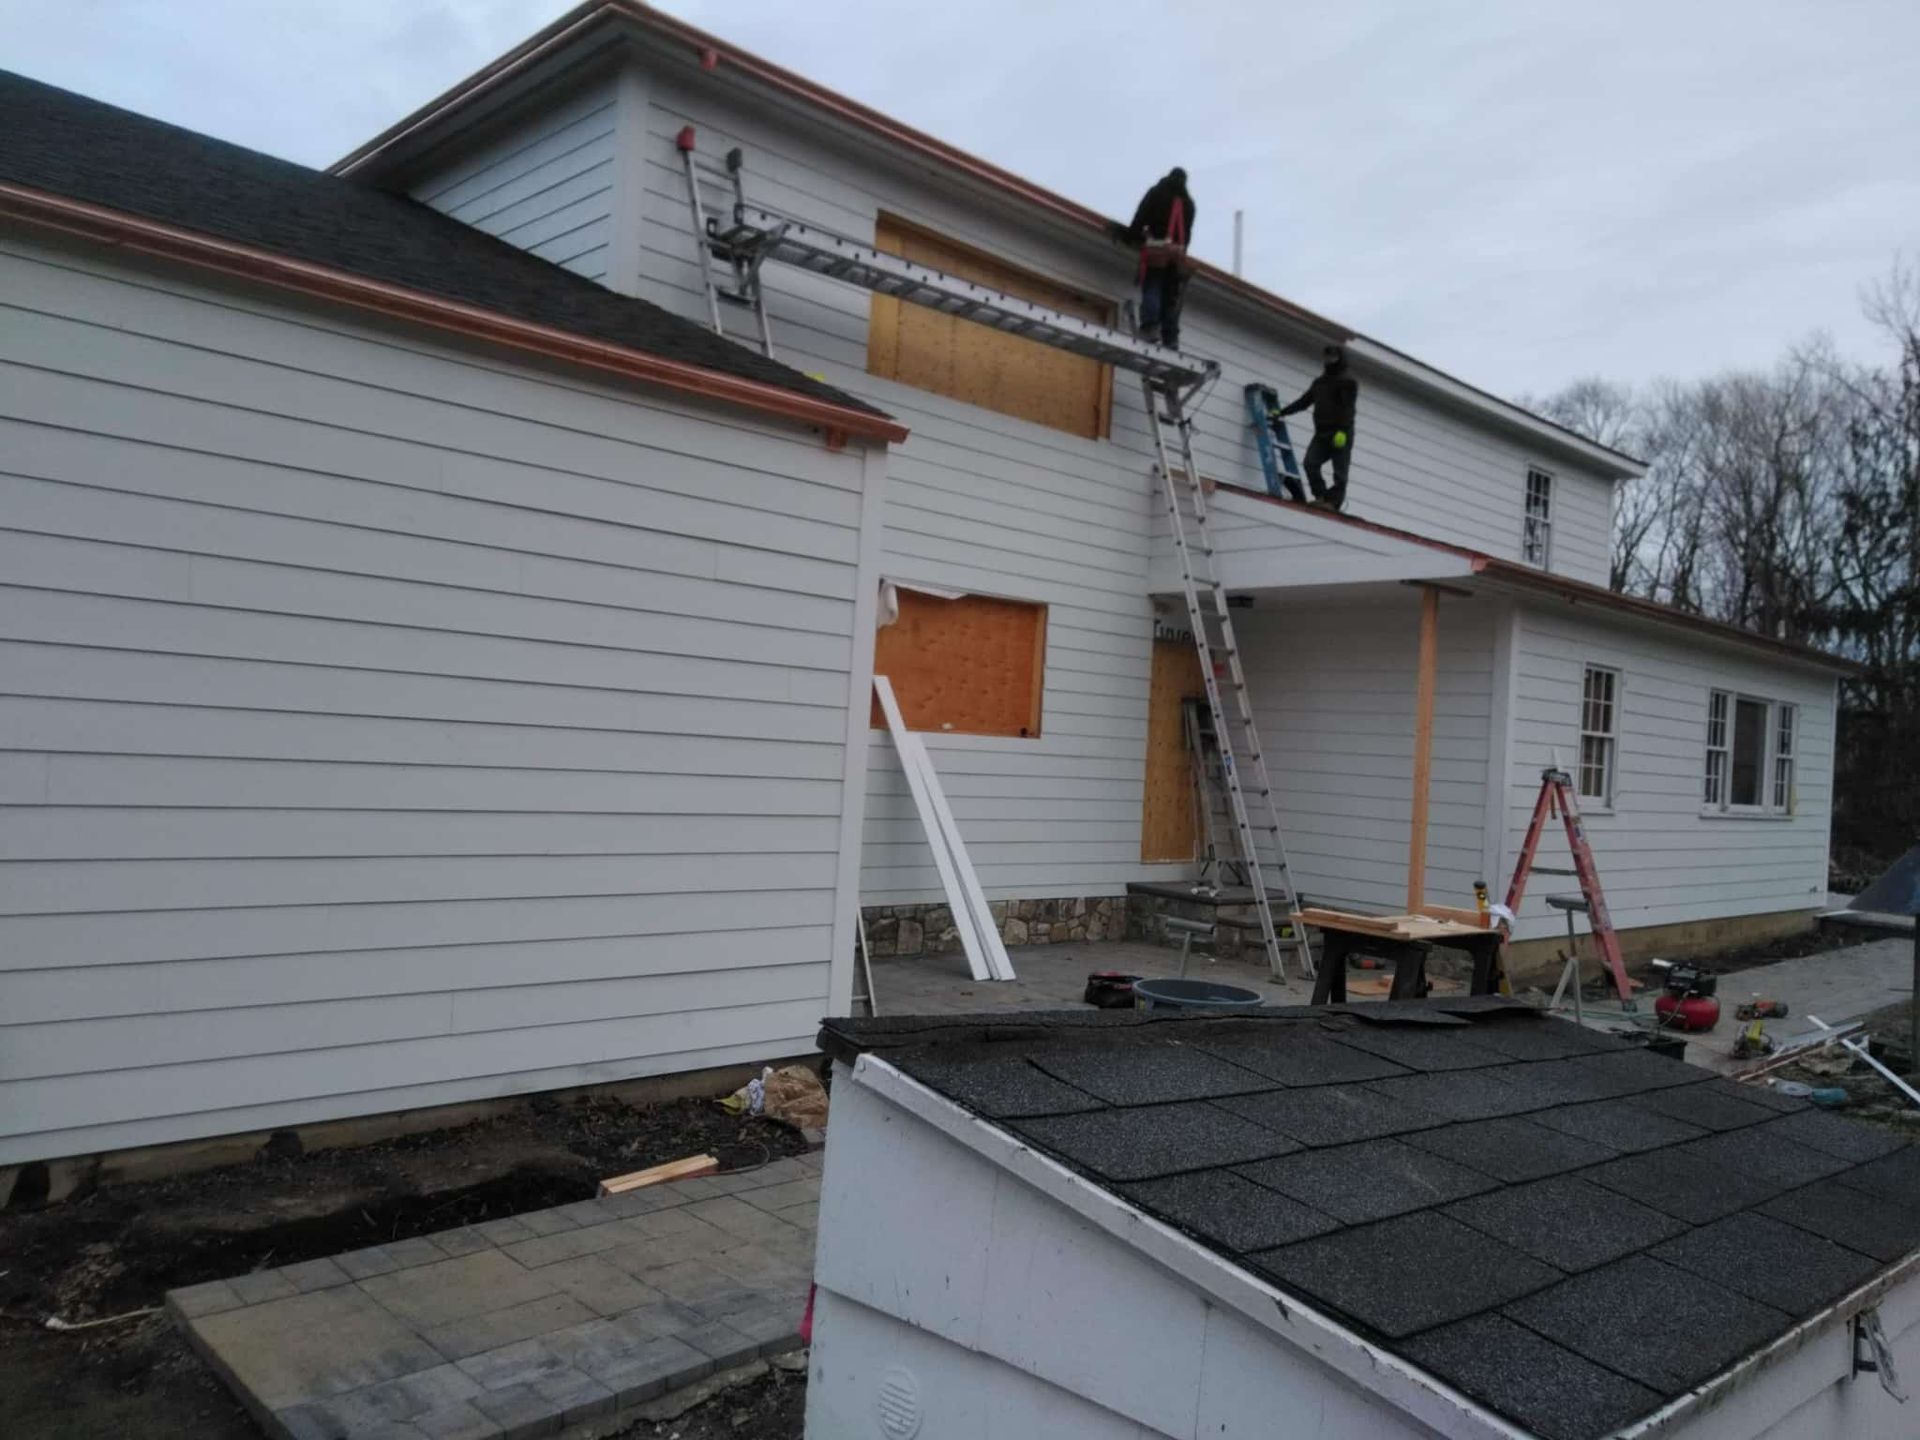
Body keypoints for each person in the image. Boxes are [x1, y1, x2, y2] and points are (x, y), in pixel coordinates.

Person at [1273, 345, 1359, 510]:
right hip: (1322, 433)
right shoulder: (1320, 383)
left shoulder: (1348, 382)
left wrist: (1342, 431)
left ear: (1340, 359)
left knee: (1340, 473)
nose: (1329, 360)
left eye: (1333, 357)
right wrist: (1282, 412)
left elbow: (1348, 408)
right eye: (1327, 357)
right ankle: (1321, 497)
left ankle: (1333, 503)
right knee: (1310, 463)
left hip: (1341, 432)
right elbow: (1304, 402)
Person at [1124, 168, 1195, 348]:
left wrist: (1132, 235)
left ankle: (1150, 327)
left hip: (1157, 249)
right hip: (1177, 254)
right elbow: (1187, 235)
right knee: (1170, 296)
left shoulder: (1157, 193)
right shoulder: (1189, 204)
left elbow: (1141, 216)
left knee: (1153, 287)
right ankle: (1170, 337)